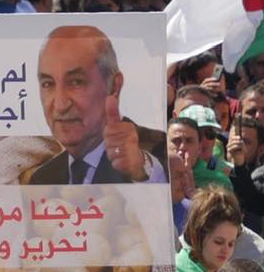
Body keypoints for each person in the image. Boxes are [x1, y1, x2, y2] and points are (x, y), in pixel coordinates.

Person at [26, 25, 164, 185]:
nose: (60, 105)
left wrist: (141, 172)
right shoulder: (42, 180)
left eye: (76, 82)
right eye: (48, 84)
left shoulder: (155, 150)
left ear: (114, 86)